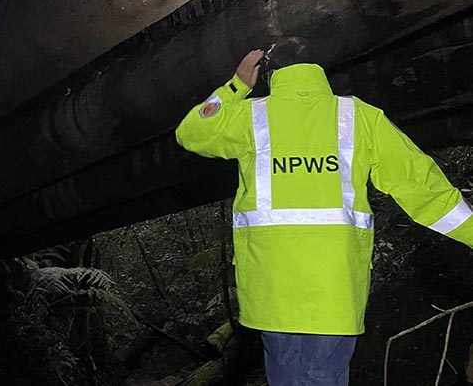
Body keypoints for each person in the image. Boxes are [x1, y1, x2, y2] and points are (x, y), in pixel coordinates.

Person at [174, 37, 473, 386]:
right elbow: (423, 188)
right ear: (318, 70)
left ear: (269, 74)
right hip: (335, 295)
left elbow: (191, 131)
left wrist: (236, 85)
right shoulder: (360, 117)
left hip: (272, 297)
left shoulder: (250, 117)